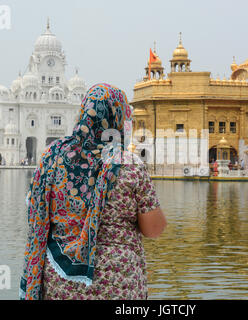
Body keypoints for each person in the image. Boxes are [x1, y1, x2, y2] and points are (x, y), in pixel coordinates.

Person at [20, 83, 167, 300]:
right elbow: (154, 229)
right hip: (117, 284)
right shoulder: (129, 164)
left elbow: (35, 211)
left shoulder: (51, 157)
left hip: (61, 281)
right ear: (119, 119)